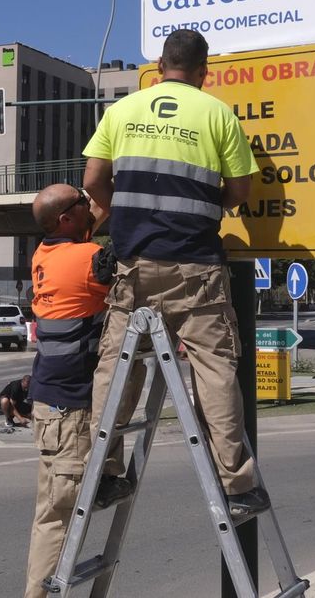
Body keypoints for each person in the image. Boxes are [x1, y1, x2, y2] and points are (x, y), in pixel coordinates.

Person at [82, 29, 268, 519]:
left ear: (160, 65)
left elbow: (93, 181)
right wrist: (206, 206)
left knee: (117, 368)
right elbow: (241, 191)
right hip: (196, 266)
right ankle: (238, 485)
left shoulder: (122, 111)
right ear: (203, 70)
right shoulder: (217, 114)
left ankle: (103, 473)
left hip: (132, 266)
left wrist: (120, 211)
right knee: (214, 368)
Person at [22, 182, 116, 598]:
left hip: (52, 404)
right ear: (66, 219)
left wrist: (99, 190)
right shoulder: (89, 259)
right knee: (58, 517)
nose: (89, 204)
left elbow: (92, 216)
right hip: (71, 410)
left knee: (52, 511)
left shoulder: (46, 253)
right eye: (81, 201)